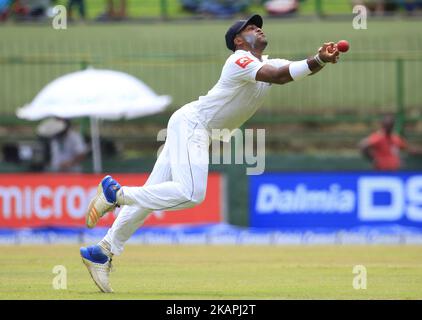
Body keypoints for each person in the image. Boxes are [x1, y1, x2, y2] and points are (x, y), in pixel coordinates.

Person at [80, 14, 341, 293]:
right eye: (252, 28)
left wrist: (319, 59)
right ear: (239, 41)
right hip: (193, 125)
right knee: (191, 193)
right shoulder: (238, 60)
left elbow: (292, 70)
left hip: (194, 129)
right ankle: (116, 194)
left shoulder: (266, 63)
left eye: (259, 26)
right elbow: (278, 77)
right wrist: (319, 61)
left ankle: (103, 250)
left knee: (151, 196)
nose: (259, 29)